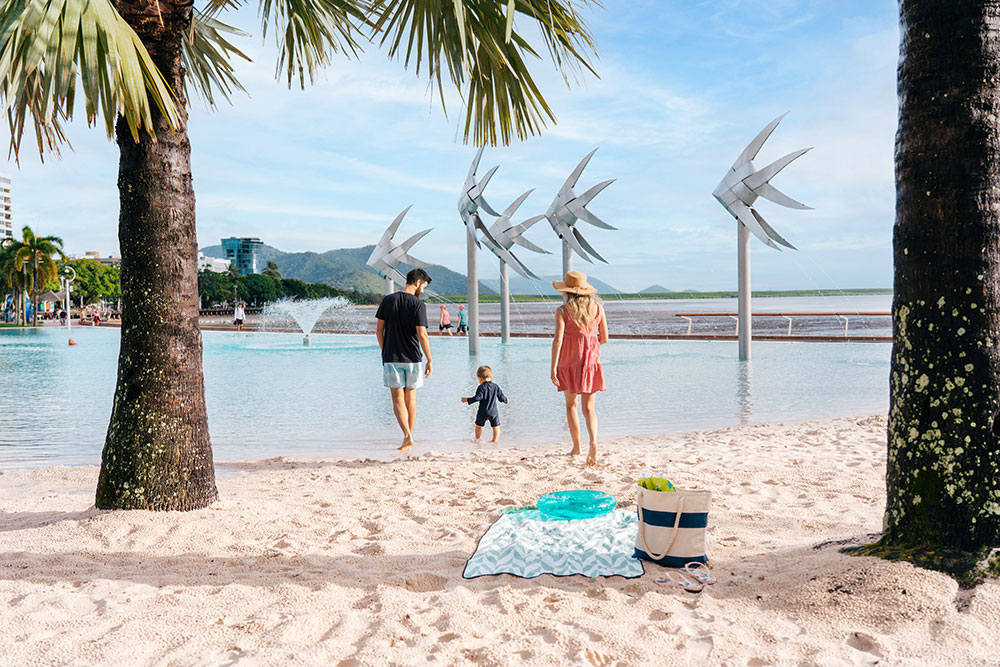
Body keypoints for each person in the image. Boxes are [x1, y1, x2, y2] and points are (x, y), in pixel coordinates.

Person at [550, 271, 608, 466]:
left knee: (571, 405)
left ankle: (576, 447)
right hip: (591, 363)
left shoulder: (562, 311)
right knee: (589, 408)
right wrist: (589, 343)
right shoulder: (598, 308)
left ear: (567, 292)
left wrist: (553, 367)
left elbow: (558, 339)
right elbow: (605, 338)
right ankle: (593, 442)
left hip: (568, 362)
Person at [376, 268, 433, 450]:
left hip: (391, 357)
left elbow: (379, 331)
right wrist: (430, 359)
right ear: (417, 283)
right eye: (423, 286)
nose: (422, 290)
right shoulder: (418, 304)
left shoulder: (387, 300)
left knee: (397, 398)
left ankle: (407, 435)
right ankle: (409, 435)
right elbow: (422, 334)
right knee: (412, 399)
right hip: (413, 358)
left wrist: (385, 350)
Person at [461, 365, 508, 443]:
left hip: (483, 411)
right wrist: (506, 400)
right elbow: (501, 398)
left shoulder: (481, 387)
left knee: (478, 426)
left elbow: (477, 398)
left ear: (480, 378)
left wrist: (467, 400)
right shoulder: (496, 386)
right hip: (494, 412)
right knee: (496, 427)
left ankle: (478, 439)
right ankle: (494, 441)